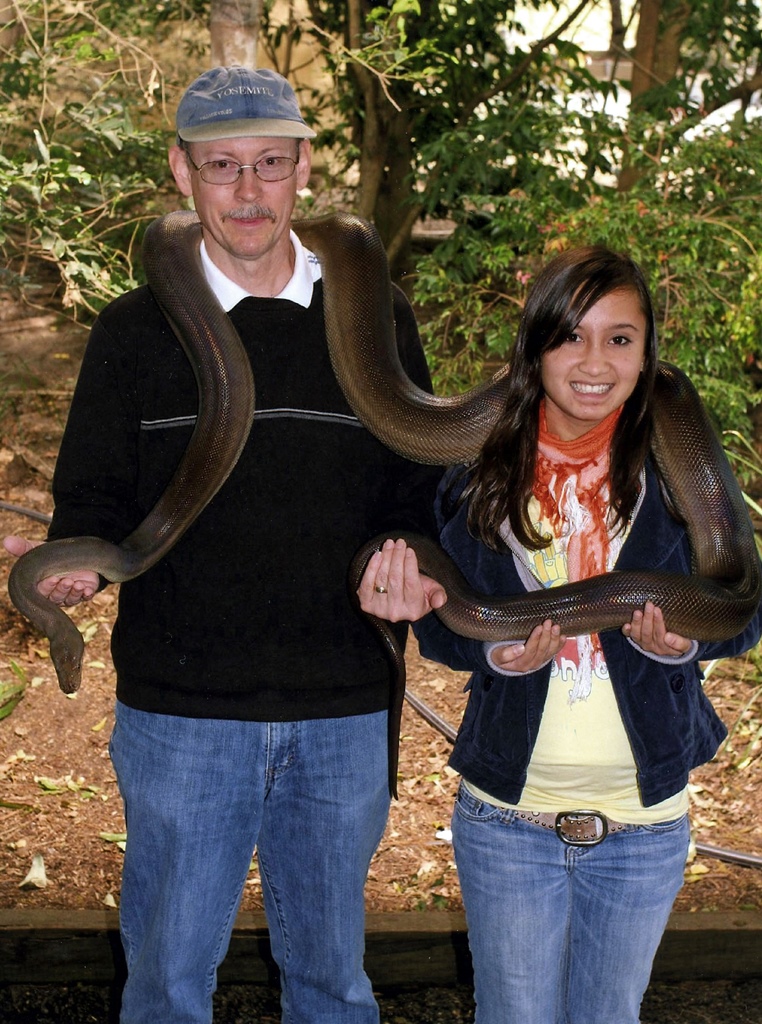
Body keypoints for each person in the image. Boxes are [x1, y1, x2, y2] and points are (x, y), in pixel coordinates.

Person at [4, 65, 442, 1024]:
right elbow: (94, 500)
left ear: (302, 169)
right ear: (182, 172)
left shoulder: (376, 316)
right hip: (183, 715)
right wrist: (76, 562)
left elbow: (419, 486)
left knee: (333, 984)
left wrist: (410, 560)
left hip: (342, 705)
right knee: (166, 984)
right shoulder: (132, 332)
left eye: (270, 164)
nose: (248, 191)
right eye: (223, 166)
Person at [357, 246, 762, 1024]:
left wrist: (688, 642)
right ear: (535, 346)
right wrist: (490, 649)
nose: (593, 362)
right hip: (508, 819)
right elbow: (450, 627)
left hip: (645, 824)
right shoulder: (479, 470)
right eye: (569, 336)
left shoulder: (678, 471)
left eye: (620, 338)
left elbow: (742, 606)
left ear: (647, 356)